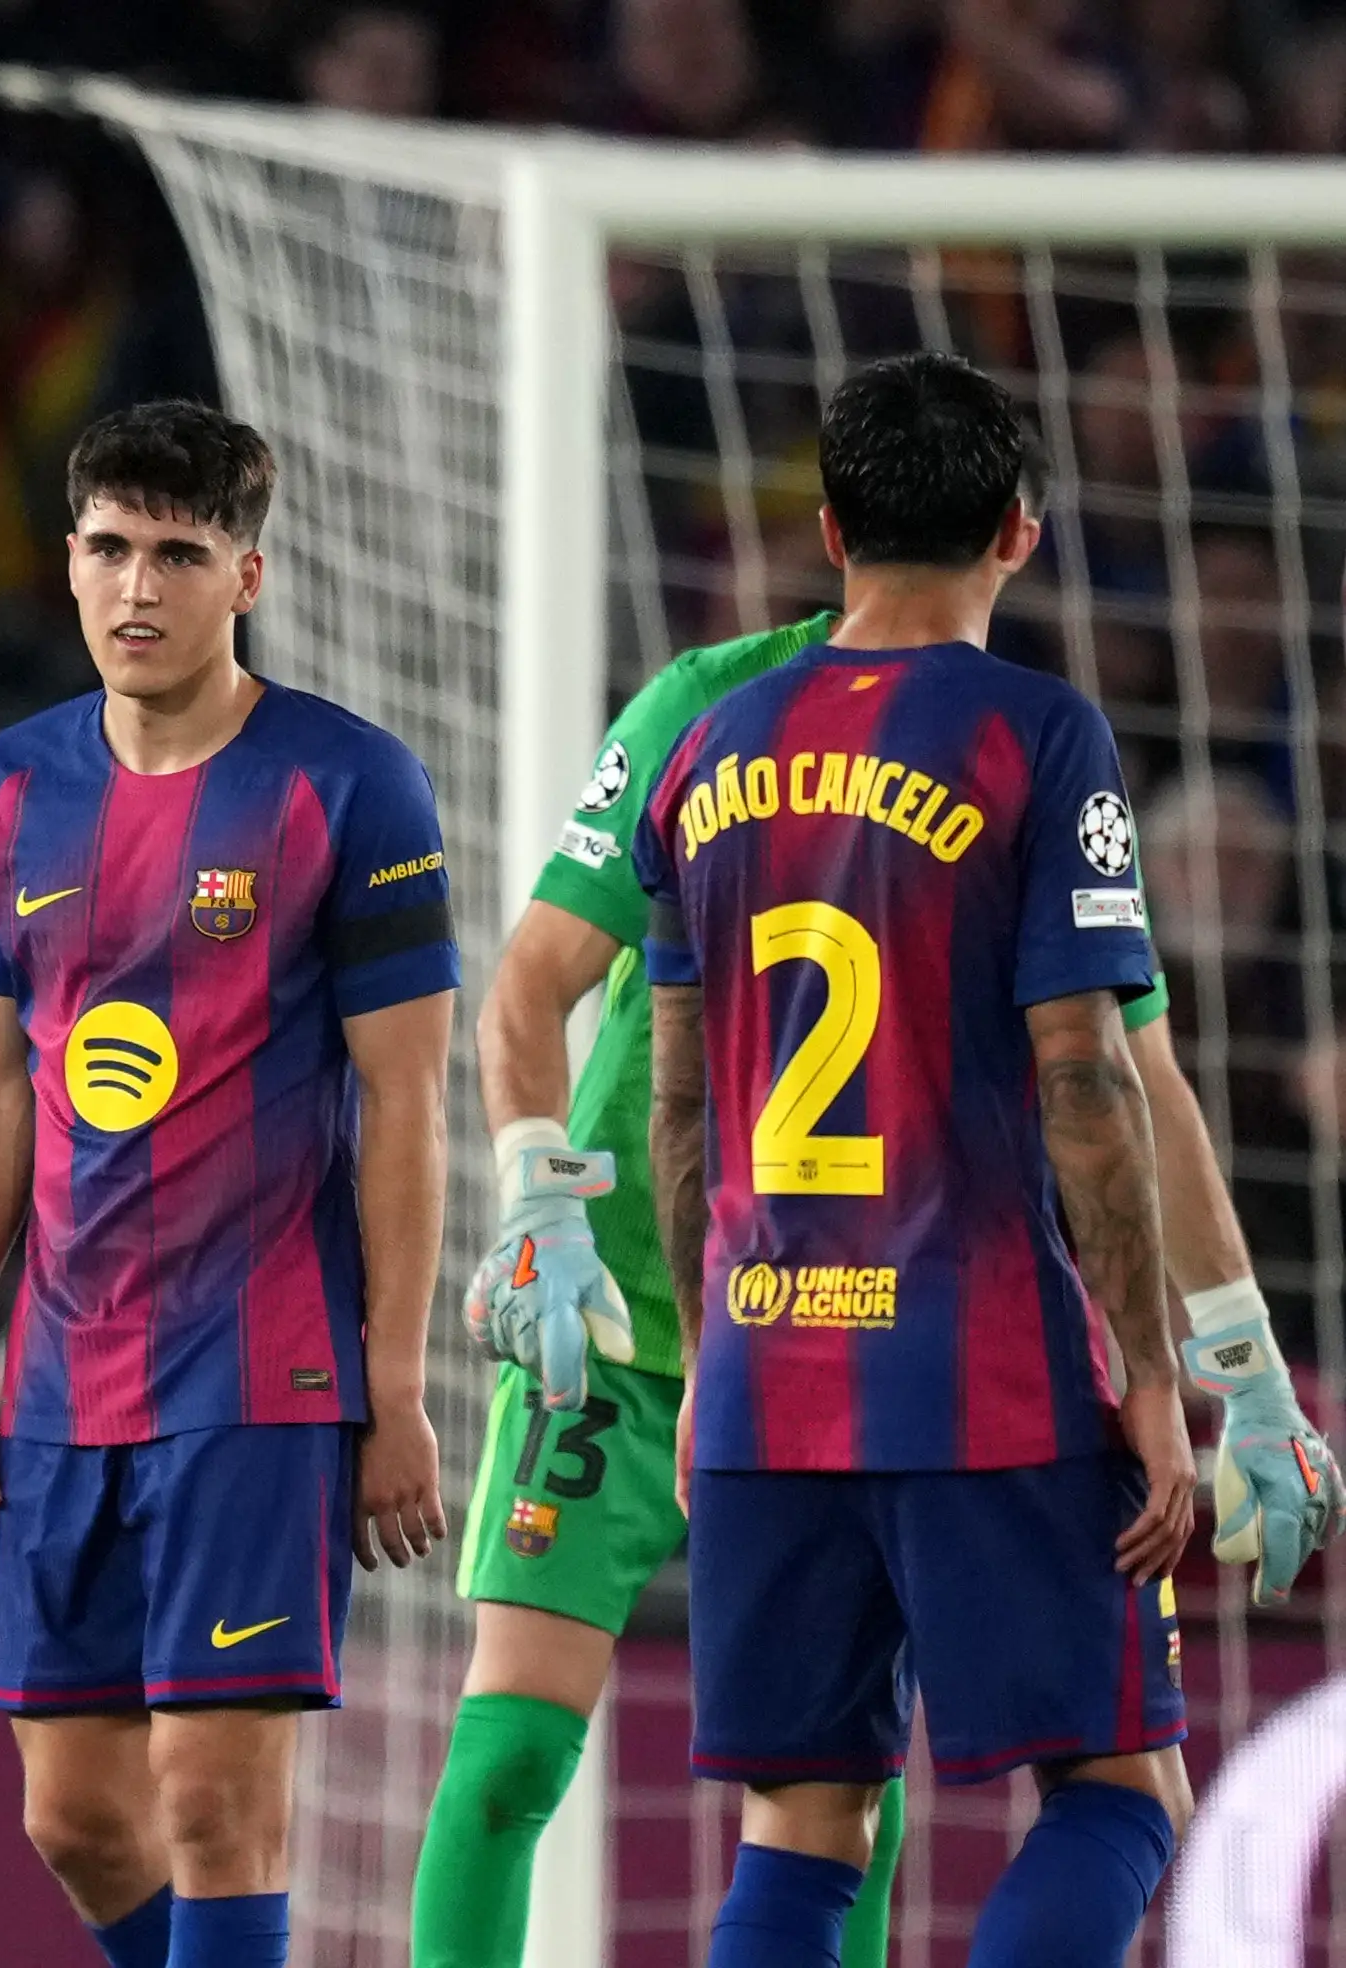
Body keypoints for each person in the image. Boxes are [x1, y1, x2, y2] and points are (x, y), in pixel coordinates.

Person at [418, 588, 1337, 1965]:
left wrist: (1240, 1356)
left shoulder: (993, 744)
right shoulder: (710, 708)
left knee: (832, 1802)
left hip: (826, 1336)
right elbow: (530, 984)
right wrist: (534, 1183)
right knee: (513, 1761)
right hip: (613, 1312)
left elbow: (1131, 1077)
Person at [632, 352, 1338, 1967]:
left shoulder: (705, 747)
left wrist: (698, 1357)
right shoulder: (1035, 735)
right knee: (1117, 1793)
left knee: (800, 1829)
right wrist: (1157, 1385)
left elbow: (681, 1105)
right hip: (982, 1369)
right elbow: (1086, 1075)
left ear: (823, 530)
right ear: (1020, 531)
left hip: (762, 1368)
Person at [0, 400, 456, 1968]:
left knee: (216, 1804)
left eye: (175, 553)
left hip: (260, 1363)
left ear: (247, 577)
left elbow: (405, 1098)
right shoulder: (3, 791)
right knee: (72, 1821)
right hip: (63, 1371)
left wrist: (395, 1382)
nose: (134, 588)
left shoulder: (346, 787)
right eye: (105, 549)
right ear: (66, 561)